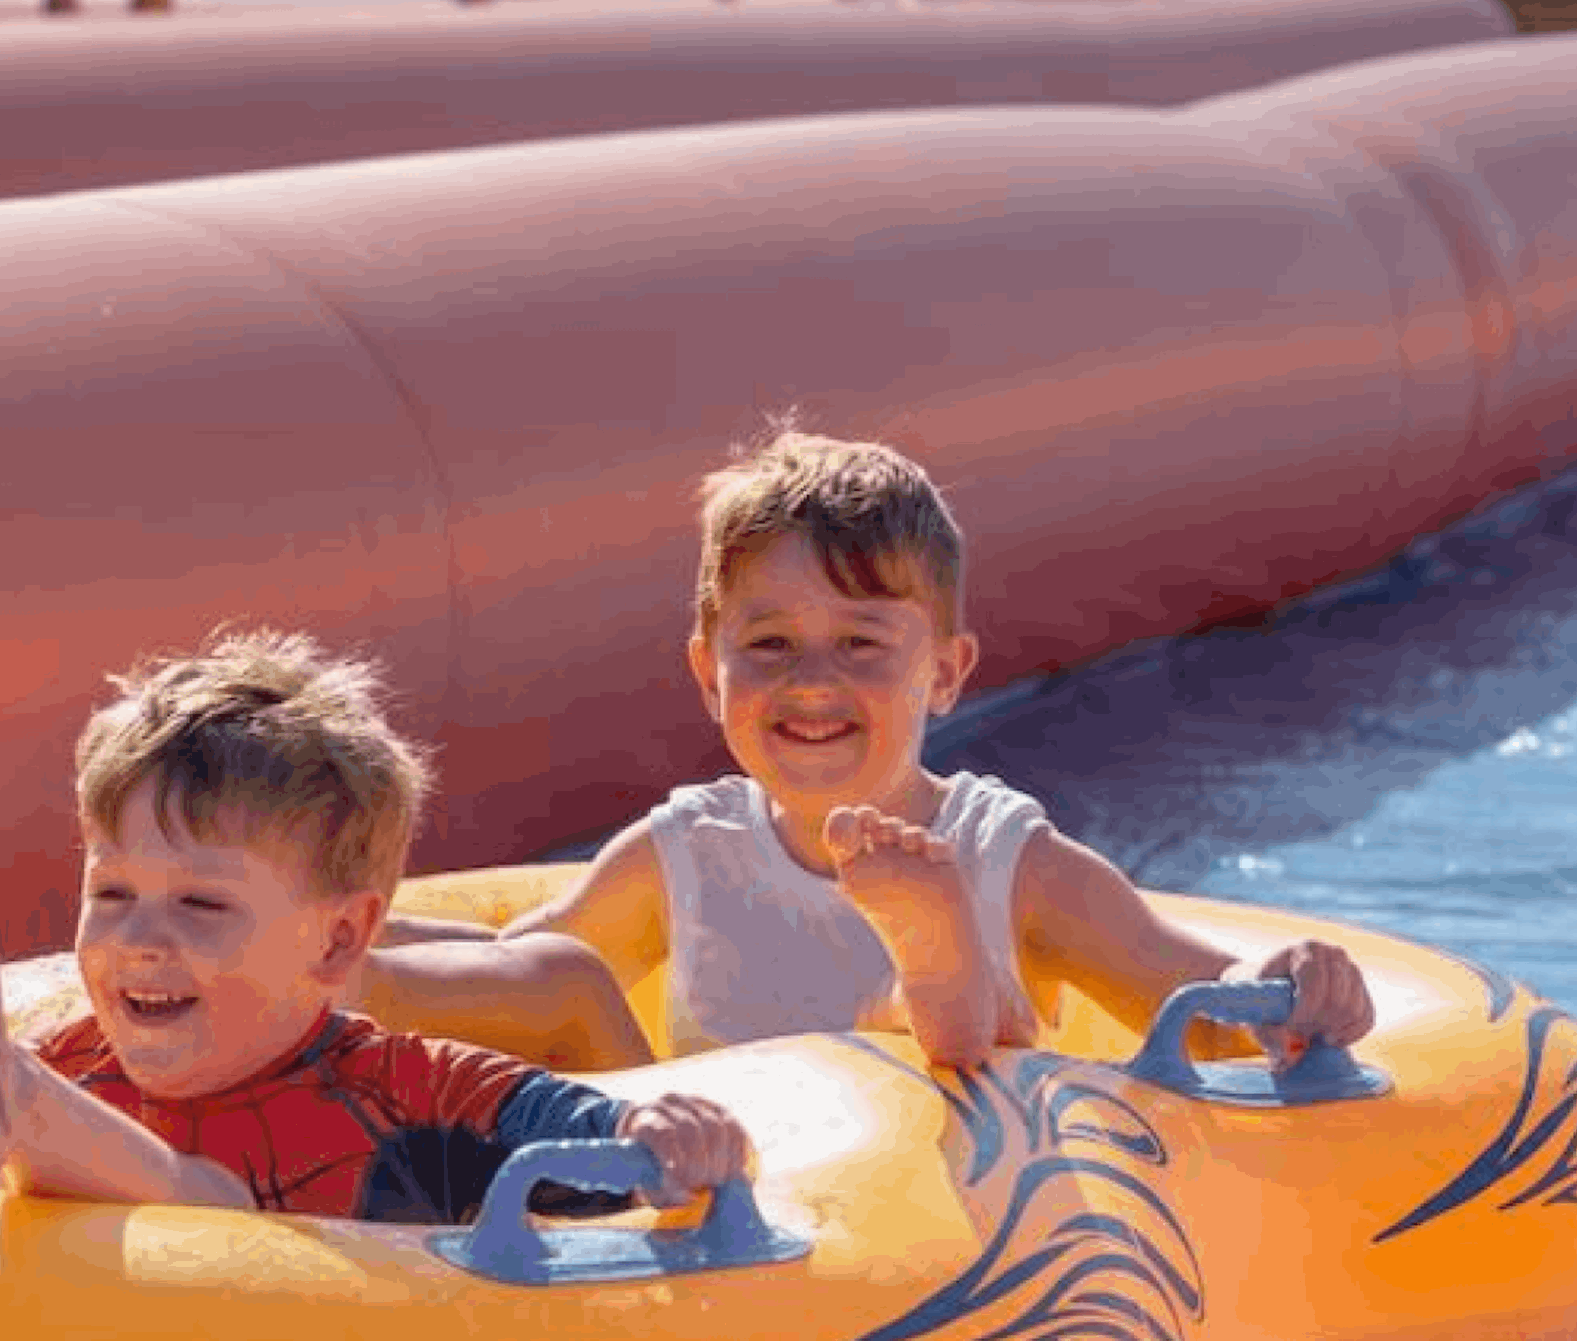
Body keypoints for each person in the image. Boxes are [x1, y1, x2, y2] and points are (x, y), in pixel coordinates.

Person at [0, 629, 749, 1222]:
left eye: (204, 905)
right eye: (113, 896)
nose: (143, 941)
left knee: (194, 1194)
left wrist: (659, 1123)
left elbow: (575, 1126)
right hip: (90, 1329)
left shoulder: (412, 1082)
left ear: (333, 942)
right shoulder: (88, 1049)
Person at [371, 428, 1374, 1072]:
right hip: (724, 1208)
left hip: (934, 1225)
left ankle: (932, 977)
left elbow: (1193, 1004)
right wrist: (352, 934)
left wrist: (1295, 979)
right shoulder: (683, 850)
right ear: (705, 670)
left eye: (861, 643)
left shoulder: (1007, 859)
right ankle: (328, 962)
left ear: (944, 671)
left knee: (908, 1038)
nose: (811, 681)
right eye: (768, 646)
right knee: (556, 977)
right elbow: (513, 976)